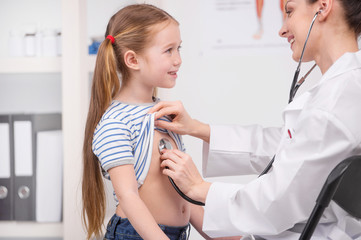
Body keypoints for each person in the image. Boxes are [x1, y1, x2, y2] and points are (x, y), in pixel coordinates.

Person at [149, 0, 361, 239]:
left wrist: (199, 188)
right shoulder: (342, 89)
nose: (281, 29)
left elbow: (277, 203)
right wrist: (197, 128)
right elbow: (288, 146)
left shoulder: (336, 102)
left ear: (322, 7)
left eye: (289, 11)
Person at [82, 4, 233, 240]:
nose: (178, 60)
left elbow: (182, 192)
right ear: (133, 59)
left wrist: (224, 236)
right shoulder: (116, 123)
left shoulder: (163, 112)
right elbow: (129, 196)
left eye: (179, 48)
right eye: (168, 50)